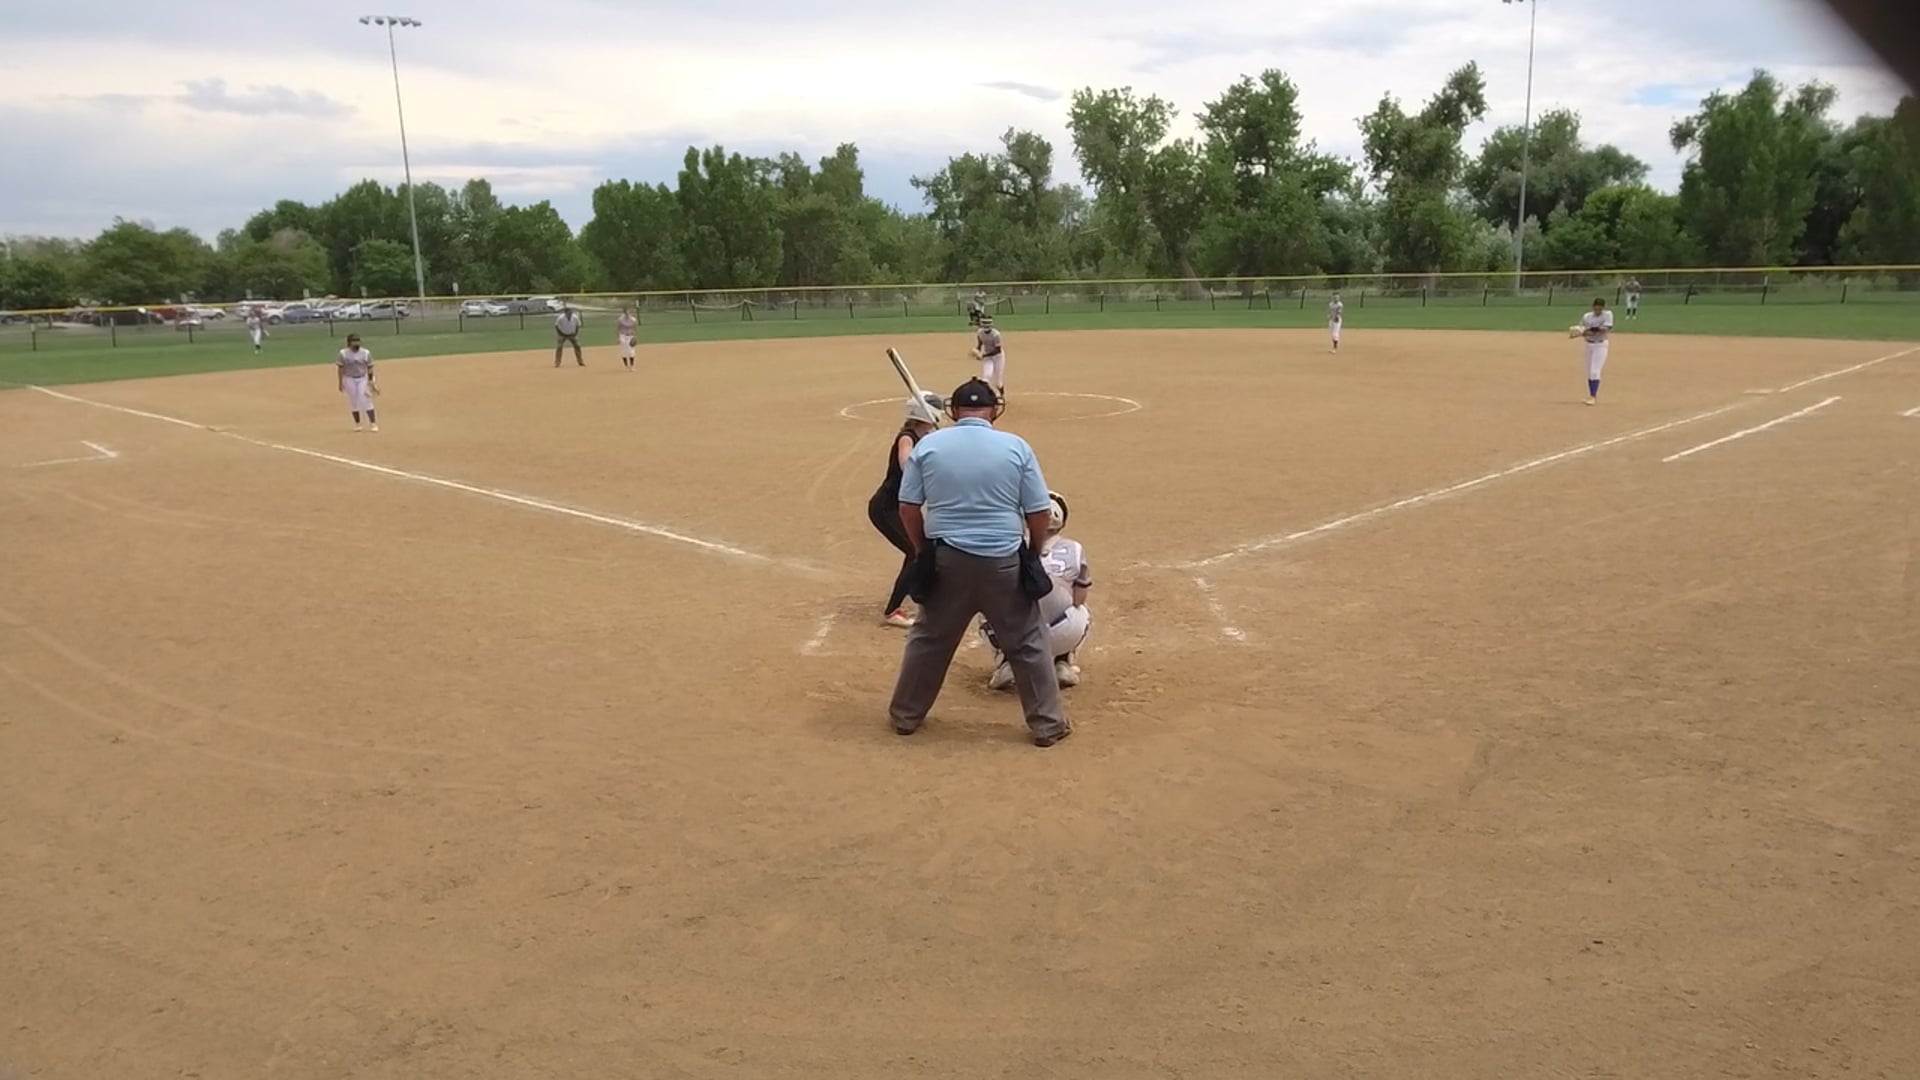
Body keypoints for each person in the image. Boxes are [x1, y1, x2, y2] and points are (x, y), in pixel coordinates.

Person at [888, 377, 1070, 747]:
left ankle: (905, 715)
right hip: (1002, 559)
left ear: (954, 411)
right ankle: (1048, 725)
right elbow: (1038, 511)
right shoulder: (1016, 446)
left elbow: (908, 507)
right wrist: (1033, 551)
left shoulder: (929, 446)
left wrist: (923, 550)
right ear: (993, 412)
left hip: (947, 558)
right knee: (1027, 641)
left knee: (930, 639)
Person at [980, 491, 1091, 690]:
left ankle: (1006, 663)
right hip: (1061, 632)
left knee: (985, 607)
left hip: (1014, 634)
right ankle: (1063, 662)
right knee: (1081, 611)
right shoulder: (1075, 548)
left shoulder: (1008, 544)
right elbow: (1079, 598)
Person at [869, 391, 942, 628]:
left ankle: (919, 588)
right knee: (915, 551)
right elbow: (906, 464)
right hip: (886, 508)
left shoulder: (926, 437)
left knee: (924, 549)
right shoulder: (907, 438)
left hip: (901, 507)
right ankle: (892, 611)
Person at [336, 333, 378, 432]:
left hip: (363, 378)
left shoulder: (365, 352)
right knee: (353, 401)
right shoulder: (343, 353)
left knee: (366, 400)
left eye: (358, 341)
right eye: (354, 341)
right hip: (349, 378)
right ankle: (358, 424)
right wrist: (340, 382)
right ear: (349, 342)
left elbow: (370, 367)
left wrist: (370, 381)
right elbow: (340, 369)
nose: (356, 343)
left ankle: (373, 423)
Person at [1579, 297, 1614, 405]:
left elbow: (1606, 328)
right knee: (1590, 371)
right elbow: (1581, 329)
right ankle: (1591, 395)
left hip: (1600, 345)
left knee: (1595, 370)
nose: (1597, 311)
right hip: (1588, 344)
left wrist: (1591, 330)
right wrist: (1580, 332)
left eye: (1599, 309)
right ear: (1593, 307)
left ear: (1603, 308)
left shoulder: (1607, 314)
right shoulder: (1587, 316)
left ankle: (1593, 396)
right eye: (1596, 308)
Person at [972, 314, 1006, 404]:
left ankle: (1002, 395)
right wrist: (977, 351)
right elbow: (980, 344)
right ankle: (987, 397)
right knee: (986, 377)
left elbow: (997, 350)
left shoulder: (996, 334)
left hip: (998, 357)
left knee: (998, 381)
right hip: (988, 357)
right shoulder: (980, 333)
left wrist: (983, 355)